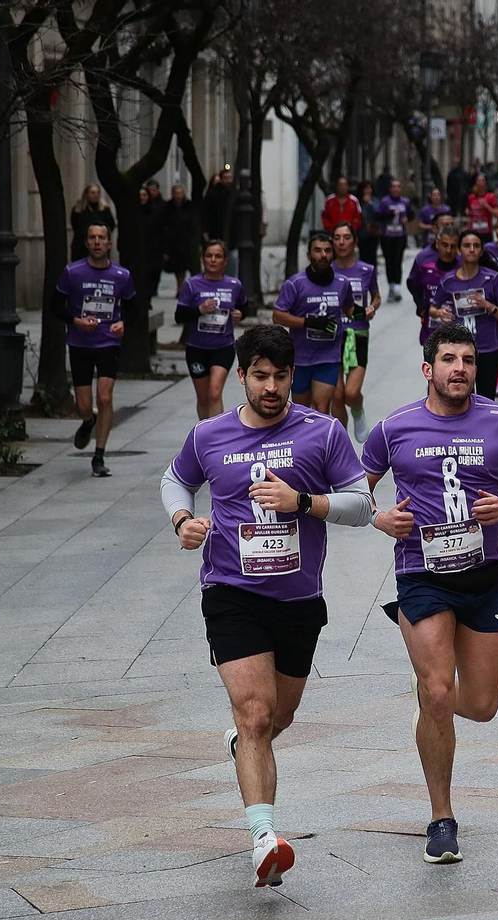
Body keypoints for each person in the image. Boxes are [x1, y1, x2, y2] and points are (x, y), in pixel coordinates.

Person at [160, 324, 373, 887]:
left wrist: (303, 501)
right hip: (231, 593)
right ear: (242, 376)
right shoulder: (209, 435)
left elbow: (362, 504)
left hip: (299, 599)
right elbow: (174, 480)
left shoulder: (322, 433)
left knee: (278, 716)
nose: (272, 386)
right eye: (260, 376)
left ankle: (244, 747)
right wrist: (184, 521)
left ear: (292, 373)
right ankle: (263, 840)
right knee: (255, 713)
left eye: (281, 375)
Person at [363, 321, 498, 863]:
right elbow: (355, 487)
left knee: (483, 705)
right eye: (448, 359)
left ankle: (433, 709)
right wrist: (380, 517)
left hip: (482, 573)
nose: (459, 369)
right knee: (441, 692)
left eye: (467, 360)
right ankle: (441, 818)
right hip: (420, 574)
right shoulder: (395, 427)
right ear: (429, 369)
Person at [50, 223, 134, 477]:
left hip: (108, 342)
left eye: (102, 238)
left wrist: (123, 323)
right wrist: (76, 321)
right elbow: (55, 305)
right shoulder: (72, 272)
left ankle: (99, 455)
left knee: (105, 397)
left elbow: (133, 307)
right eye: (92, 238)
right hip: (79, 343)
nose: (97, 242)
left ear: (109, 244)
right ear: (86, 243)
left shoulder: (122, 276)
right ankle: (88, 421)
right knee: (84, 405)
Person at [273, 230, 356, 414]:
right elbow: (278, 316)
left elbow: (349, 308)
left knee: (321, 408)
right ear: (309, 255)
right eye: (318, 251)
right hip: (300, 358)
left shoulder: (342, 282)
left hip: (328, 357)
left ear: (333, 253)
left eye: (327, 250)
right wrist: (308, 322)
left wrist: (364, 312)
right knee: (302, 411)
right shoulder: (295, 284)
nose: (323, 255)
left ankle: (321, 443)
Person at [429, 231, 498, 399]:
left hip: (488, 349)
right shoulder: (449, 280)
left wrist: (488, 305)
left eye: (476, 246)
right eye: (467, 246)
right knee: (460, 399)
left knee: (486, 400)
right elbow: (432, 308)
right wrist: (439, 312)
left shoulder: (492, 278)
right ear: (459, 250)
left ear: (482, 251)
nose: (472, 250)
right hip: (459, 350)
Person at [174, 239, 247, 420]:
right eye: (209, 256)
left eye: (218, 256)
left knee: (214, 393)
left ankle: (216, 440)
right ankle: (205, 435)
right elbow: (179, 316)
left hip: (223, 347)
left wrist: (240, 314)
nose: (213, 260)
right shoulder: (192, 285)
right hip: (196, 349)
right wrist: (199, 310)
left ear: (225, 261)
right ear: (203, 259)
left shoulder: (234, 285)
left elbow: (244, 307)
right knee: (203, 397)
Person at [330, 221, 380, 441]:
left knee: (351, 393)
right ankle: (342, 445)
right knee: (337, 395)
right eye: (337, 238)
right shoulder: (327, 271)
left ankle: (358, 412)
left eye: (346, 238)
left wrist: (371, 307)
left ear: (355, 241)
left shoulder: (366, 270)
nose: (342, 243)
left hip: (358, 333)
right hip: (331, 336)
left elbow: (376, 297)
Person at [407, 224, 461, 350]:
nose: (448, 250)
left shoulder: (463, 268)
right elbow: (414, 286)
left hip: (458, 334)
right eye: (445, 245)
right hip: (431, 332)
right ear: (437, 244)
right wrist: (421, 308)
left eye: (453, 246)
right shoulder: (427, 268)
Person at [375, 179, 414, 302]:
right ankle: (391, 286)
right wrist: (390, 214)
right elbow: (378, 216)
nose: (396, 189)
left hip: (400, 236)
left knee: (398, 261)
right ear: (390, 189)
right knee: (389, 261)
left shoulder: (405, 202)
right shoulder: (385, 202)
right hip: (387, 236)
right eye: (393, 187)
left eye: (398, 187)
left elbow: (411, 214)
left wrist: (406, 219)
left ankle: (397, 288)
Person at [160, 183, 200, 290]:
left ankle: (193, 287)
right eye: (176, 193)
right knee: (179, 267)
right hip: (174, 241)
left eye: (181, 193)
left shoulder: (189, 206)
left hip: (188, 240)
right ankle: (180, 287)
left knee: (191, 265)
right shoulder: (167, 207)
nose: (179, 196)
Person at [70, 183, 116, 263]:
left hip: (99, 246)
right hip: (81, 245)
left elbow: (111, 225)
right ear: (86, 194)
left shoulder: (104, 209)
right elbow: (75, 225)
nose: (96, 195)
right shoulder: (78, 209)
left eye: (98, 193)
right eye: (93, 193)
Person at [204, 165, 234, 243]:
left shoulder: (234, 194)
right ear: (221, 179)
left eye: (230, 178)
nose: (228, 180)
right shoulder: (213, 194)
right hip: (216, 231)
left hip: (233, 232)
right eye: (226, 178)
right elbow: (206, 213)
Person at [355, 180, 381, 266]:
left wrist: (370, 203)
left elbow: (378, 213)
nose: (368, 191)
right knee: (363, 255)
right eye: (366, 188)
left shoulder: (375, 200)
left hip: (373, 232)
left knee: (372, 256)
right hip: (361, 232)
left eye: (369, 188)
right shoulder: (357, 201)